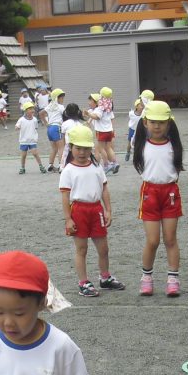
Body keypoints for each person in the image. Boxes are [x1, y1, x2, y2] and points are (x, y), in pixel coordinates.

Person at [59, 125, 126, 297]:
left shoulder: (97, 166)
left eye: (86, 148)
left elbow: (104, 189)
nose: (82, 152)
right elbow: (65, 197)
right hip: (79, 210)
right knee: (81, 249)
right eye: (78, 148)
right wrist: (68, 219)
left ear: (91, 148)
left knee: (104, 248)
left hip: (96, 209)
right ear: (71, 147)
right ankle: (83, 282)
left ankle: (105, 277)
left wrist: (108, 210)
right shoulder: (68, 170)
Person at [132, 100, 184, 297]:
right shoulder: (141, 145)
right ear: (145, 122)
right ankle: (146, 278)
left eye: (161, 122)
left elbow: (176, 168)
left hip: (170, 192)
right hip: (149, 193)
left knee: (170, 238)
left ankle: (173, 279)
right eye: (153, 121)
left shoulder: (174, 145)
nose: (157, 126)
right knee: (152, 240)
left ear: (169, 123)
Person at [85, 90, 118, 174]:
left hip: (101, 131)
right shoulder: (108, 107)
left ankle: (107, 165)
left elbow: (97, 117)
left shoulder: (100, 108)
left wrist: (88, 114)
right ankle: (115, 163)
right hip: (109, 131)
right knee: (108, 148)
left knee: (101, 148)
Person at [15, 102, 46, 174]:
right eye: (30, 109)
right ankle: (22, 168)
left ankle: (41, 166)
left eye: (33, 109)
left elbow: (36, 128)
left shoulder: (35, 119)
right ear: (25, 111)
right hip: (24, 141)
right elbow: (17, 126)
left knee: (35, 153)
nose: (32, 110)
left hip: (32, 140)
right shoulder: (21, 119)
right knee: (23, 155)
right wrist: (17, 127)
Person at [40, 88, 65, 172]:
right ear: (57, 98)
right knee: (61, 147)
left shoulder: (49, 105)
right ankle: (61, 166)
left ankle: (50, 164)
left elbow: (41, 113)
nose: (63, 99)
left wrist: (46, 123)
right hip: (57, 127)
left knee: (54, 148)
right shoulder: (60, 107)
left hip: (50, 128)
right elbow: (65, 116)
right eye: (62, 98)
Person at [124, 97, 143, 162]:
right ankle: (128, 152)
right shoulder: (131, 113)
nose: (142, 106)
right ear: (136, 106)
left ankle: (137, 156)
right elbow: (130, 121)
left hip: (140, 130)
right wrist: (129, 129)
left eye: (143, 105)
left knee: (138, 143)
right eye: (140, 105)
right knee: (129, 143)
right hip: (132, 130)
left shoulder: (143, 114)